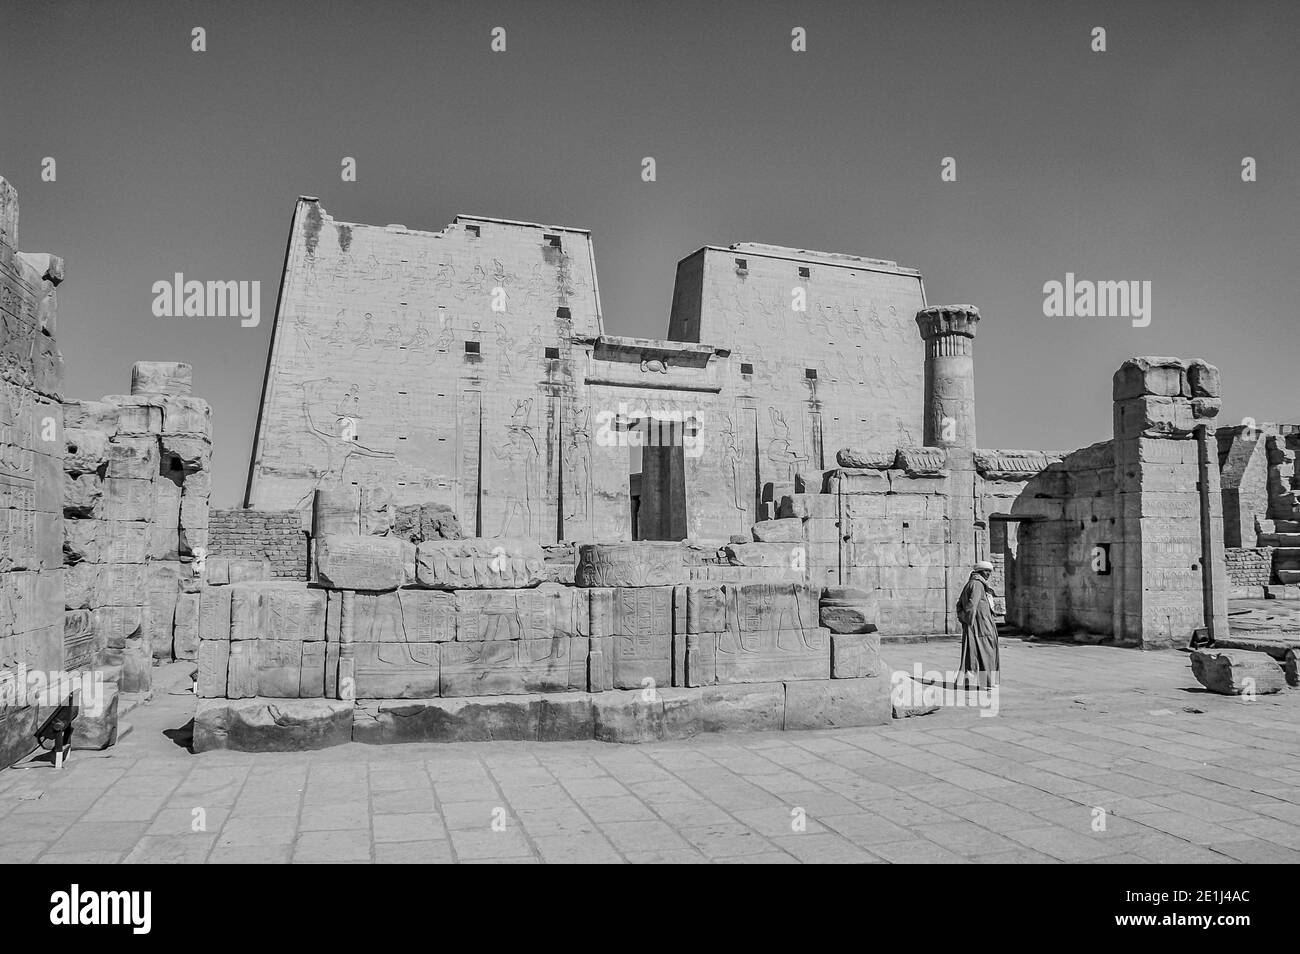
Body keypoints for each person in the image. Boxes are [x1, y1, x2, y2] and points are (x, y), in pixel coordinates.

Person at [957, 560, 999, 690]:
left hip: (980, 624)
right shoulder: (977, 584)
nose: (988, 574)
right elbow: (971, 605)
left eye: (989, 571)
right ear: (979, 572)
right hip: (979, 625)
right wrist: (967, 620)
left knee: (975, 652)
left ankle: (973, 681)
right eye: (986, 571)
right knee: (986, 652)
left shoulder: (976, 584)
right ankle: (987, 682)